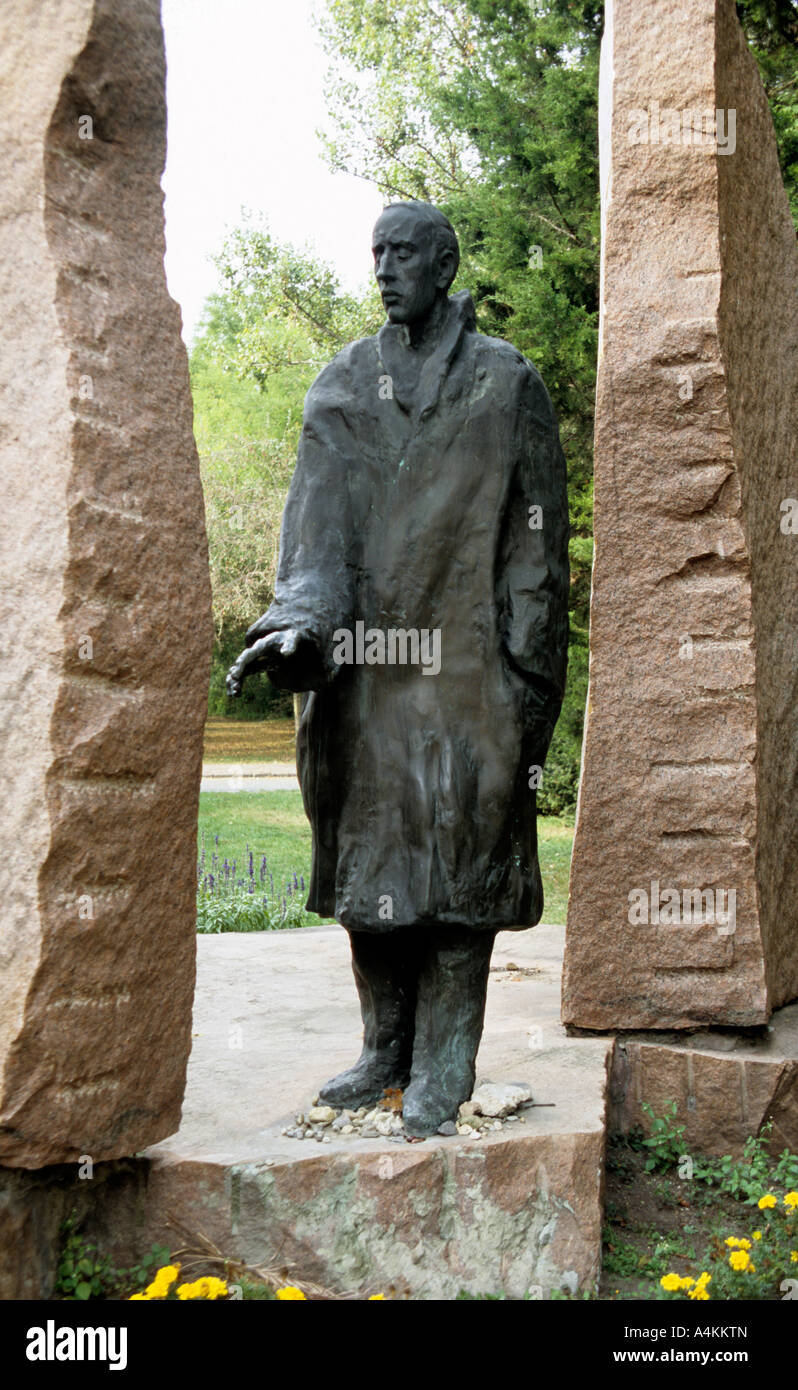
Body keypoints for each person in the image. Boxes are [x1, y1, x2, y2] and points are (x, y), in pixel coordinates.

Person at [227, 201, 569, 1135]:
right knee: (369, 859)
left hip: (467, 665)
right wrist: (298, 627)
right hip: (364, 668)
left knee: (459, 867)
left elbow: (538, 551)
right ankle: (384, 1046)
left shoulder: (505, 382)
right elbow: (312, 543)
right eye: (375, 251)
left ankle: (445, 1062)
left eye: (404, 252)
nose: (384, 268)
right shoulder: (342, 385)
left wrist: (526, 679)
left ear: (445, 265)